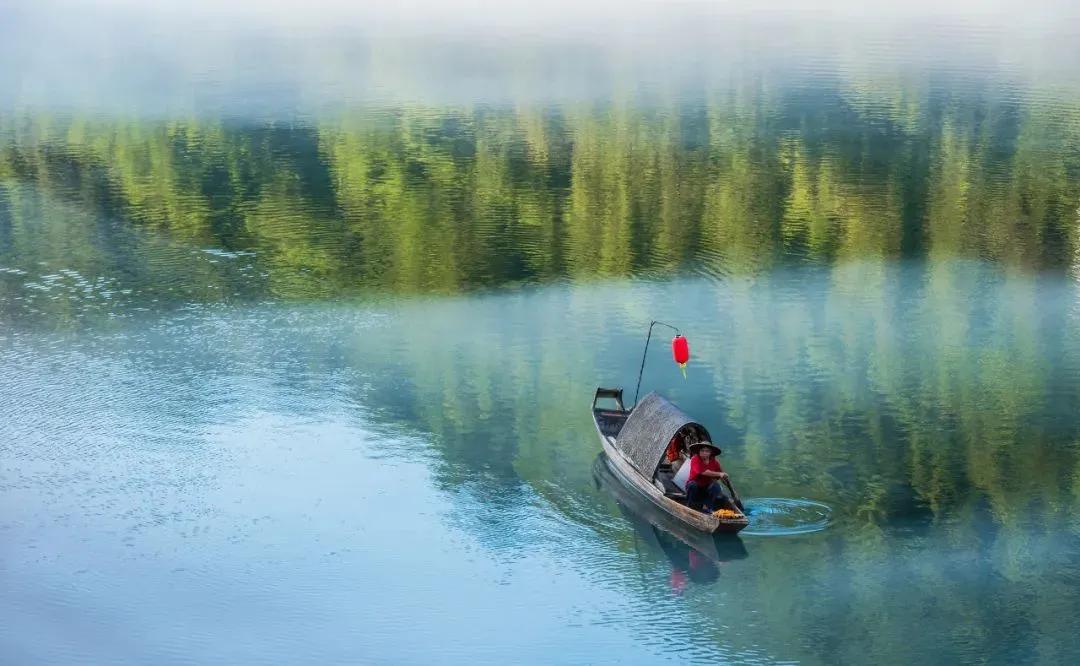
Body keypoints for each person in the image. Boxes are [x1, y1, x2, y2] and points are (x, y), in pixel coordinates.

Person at [685, 442, 731, 512]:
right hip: (694, 488)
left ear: (710, 453)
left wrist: (724, 477)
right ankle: (690, 504)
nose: (704, 453)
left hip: (706, 489)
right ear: (699, 451)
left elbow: (720, 475)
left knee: (716, 486)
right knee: (692, 485)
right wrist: (719, 474)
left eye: (707, 451)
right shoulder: (695, 459)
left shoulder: (715, 462)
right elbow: (702, 472)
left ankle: (707, 506)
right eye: (702, 451)